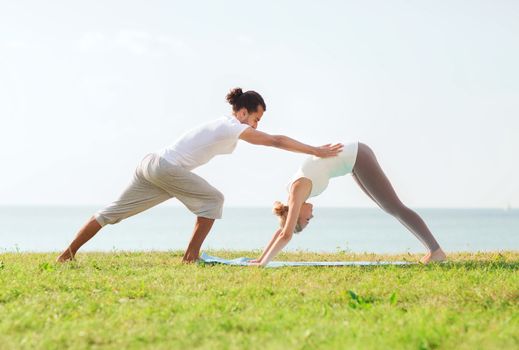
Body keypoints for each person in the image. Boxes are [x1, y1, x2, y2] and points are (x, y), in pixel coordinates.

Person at [56, 88, 343, 263]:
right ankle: (190, 257)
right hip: (166, 169)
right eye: (256, 119)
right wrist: (315, 150)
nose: (256, 126)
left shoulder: (223, 124)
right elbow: (276, 141)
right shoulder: (230, 126)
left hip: (152, 164)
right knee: (214, 200)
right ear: (242, 112)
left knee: (110, 213)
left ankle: (66, 254)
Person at [250, 142, 446, 266]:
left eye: (307, 221)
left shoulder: (296, 193)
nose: (311, 217)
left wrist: (264, 263)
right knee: (390, 207)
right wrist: (260, 258)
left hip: (357, 157)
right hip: (354, 161)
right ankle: (434, 250)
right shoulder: (295, 195)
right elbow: (284, 228)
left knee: (394, 207)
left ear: (297, 214)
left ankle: (435, 251)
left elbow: (286, 233)